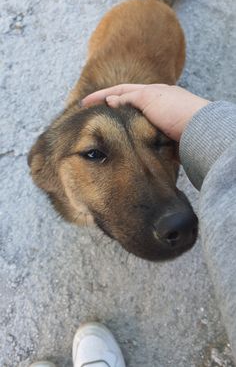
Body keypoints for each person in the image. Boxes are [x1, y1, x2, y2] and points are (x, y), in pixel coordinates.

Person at [30, 84, 236, 366]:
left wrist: (198, 122)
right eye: (94, 154)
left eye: (158, 144)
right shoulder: (48, 163)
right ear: (43, 172)